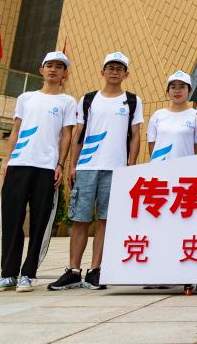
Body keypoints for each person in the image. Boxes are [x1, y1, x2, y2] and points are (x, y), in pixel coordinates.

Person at [48, 51, 143, 291]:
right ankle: (73, 270)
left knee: (105, 220)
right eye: (110, 68)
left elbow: (135, 136)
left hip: (116, 169)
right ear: (102, 72)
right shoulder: (89, 99)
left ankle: (95, 270)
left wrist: (131, 165)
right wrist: (72, 165)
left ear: (126, 74)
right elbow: (78, 134)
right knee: (80, 219)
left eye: (119, 68)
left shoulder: (132, 101)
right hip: (87, 167)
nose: (114, 72)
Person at [0, 51, 76, 293]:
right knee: (11, 220)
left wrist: (60, 164)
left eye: (59, 67)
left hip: (46, 169)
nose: (53, 70)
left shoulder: (67, 102)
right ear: (41, 70)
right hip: (19, 164)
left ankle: (28, 274)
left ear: (64, 74)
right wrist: (7, 161)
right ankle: (8, 274)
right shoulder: (26, 98)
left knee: (40, 223)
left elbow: (67, 135)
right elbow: (15, 130)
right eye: (49, 65)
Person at [148, 70, 197, 162]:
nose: (177, 91)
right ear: (168, 91)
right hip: (160, 167)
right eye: (173, 87)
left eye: (182, 87)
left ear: (189, 91)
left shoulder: (196, 116)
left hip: (185, 166)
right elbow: (151, 143)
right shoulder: (157, 115)